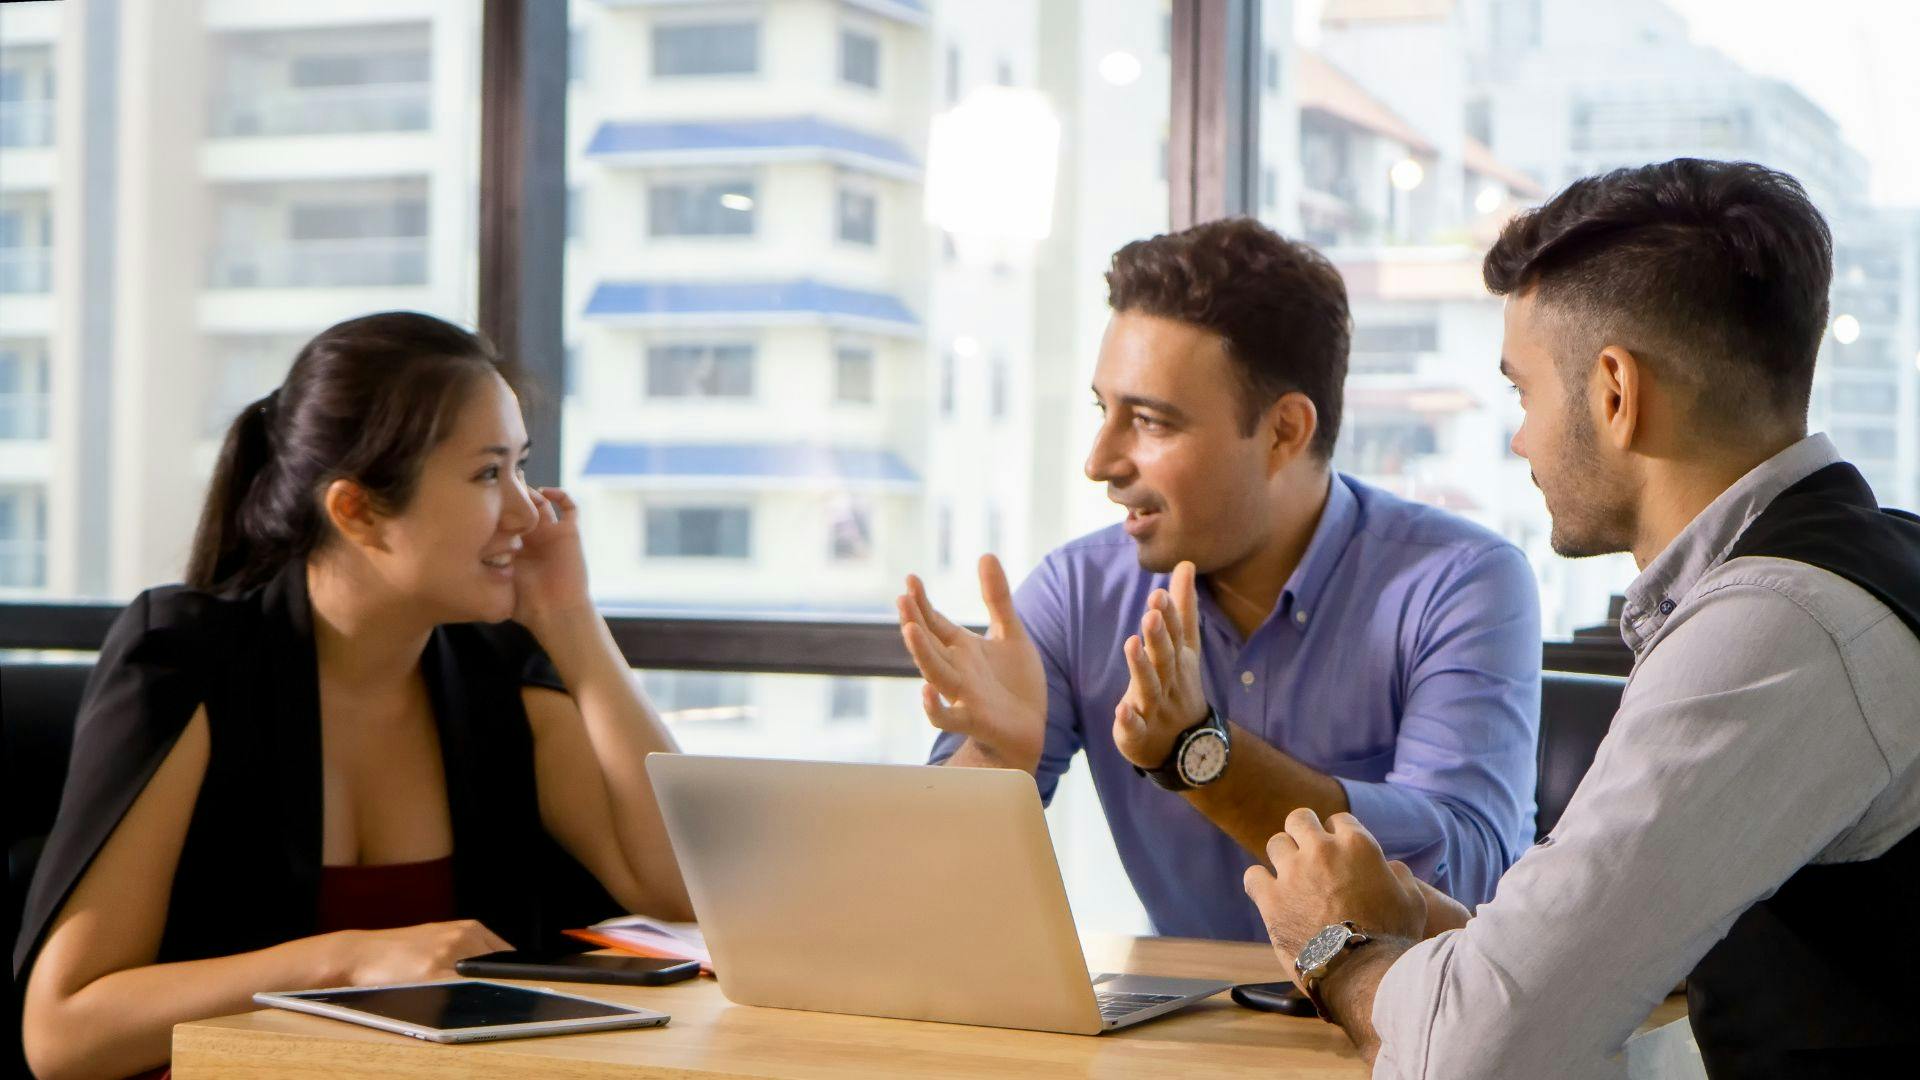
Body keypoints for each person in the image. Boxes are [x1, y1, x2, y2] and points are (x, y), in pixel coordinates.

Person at [1236, 159, 1920, 1076]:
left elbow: (1483, 1053)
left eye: (1524, 392)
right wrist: (1431, 937)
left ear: (1613, 393)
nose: (1518, 437)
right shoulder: (1858, 564)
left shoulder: (1776, 631)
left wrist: (1339, 953)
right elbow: (1606, 943)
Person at [15, 312, 691, 1080]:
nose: (528, 511)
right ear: (358, 510)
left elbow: (682, 891)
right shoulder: (188, 660)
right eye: (487, 474)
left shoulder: (501, 672)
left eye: (523, 467)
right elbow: (63, 1034)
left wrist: (572, 620)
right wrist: (349, 961)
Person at [897, 218, 1542, 942]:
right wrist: (998, 760)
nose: (1100, 460)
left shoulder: (1462, 582)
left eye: (1149, 421)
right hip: (1184, 1039)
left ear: (1283, 433)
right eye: (1102, 411)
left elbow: (1475, 878)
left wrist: (1201, 755)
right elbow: (918, 904)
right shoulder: (1077, 594)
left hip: (1406, 1033)